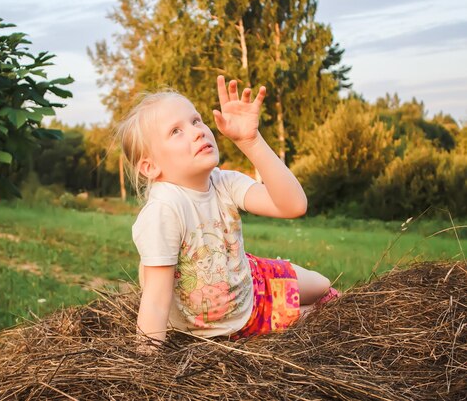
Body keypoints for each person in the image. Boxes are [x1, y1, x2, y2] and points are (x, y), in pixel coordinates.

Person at [116, 76, 339, 352]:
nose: (197, 131)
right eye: (176, 131)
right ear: (150, 167)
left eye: (196, 120)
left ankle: (306, 294)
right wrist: (145, 372)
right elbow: (155, 299)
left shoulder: (223, 182)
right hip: (236, 322)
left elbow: (293, 205)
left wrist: (251, 141)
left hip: (251, 281)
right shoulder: (164, 210)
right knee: (322, 314)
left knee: (322, 285)